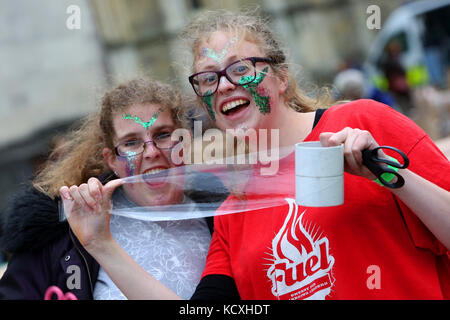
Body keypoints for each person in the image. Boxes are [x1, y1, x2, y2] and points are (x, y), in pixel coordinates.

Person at [62, 10, 450, 300]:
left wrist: (388, 175)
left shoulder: (363, 122)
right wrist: (102, 245)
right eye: (209, 78)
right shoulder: (236, 207)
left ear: (281, 79)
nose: (226, 85)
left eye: (241, 68)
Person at [0, 78, 225, 300]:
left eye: (163, 135)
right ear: (112, 160)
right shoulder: (62, 234)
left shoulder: (223, 219)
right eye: (131, 142)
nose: (151, 152)